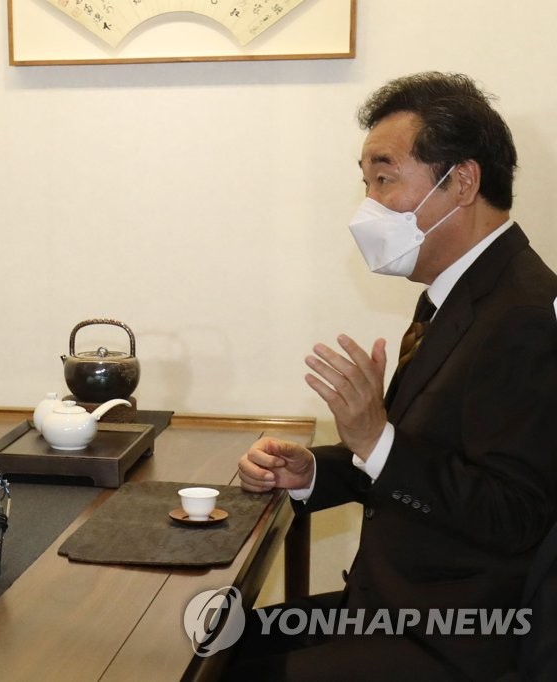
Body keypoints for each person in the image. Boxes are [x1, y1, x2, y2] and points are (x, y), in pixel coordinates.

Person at [231, 72, 557, 680]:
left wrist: (375, 439)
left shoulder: (525, 315)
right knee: (216, 641)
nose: (369, 206)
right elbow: (422, 457)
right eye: (365, 183)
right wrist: (313, 471)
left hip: (457, 636)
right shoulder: (458, 292)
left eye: (384, 179)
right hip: (388, 608)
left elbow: (515, 514)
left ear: (462, 182)